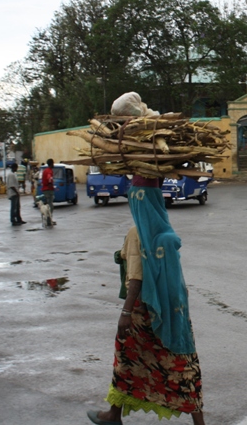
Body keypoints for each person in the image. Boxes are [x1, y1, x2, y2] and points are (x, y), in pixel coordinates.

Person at [87, 175, 204, 425]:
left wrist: (126, 313)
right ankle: (198, 422)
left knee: (127, 362)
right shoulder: (165, 229)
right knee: (182, 365)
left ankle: (112, 415)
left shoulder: (137, 232)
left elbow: (136, 277)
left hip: (143, 313)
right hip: (173, 313)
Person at [41, 158, 56, 225]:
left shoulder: (45, 170)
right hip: (48, 190)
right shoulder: (49, 171)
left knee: (47, 205)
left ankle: (48, 220)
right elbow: (49, 178)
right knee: (50, 206)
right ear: (51, 164)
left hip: (45, 189)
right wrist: (50, 184)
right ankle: (49, 220)